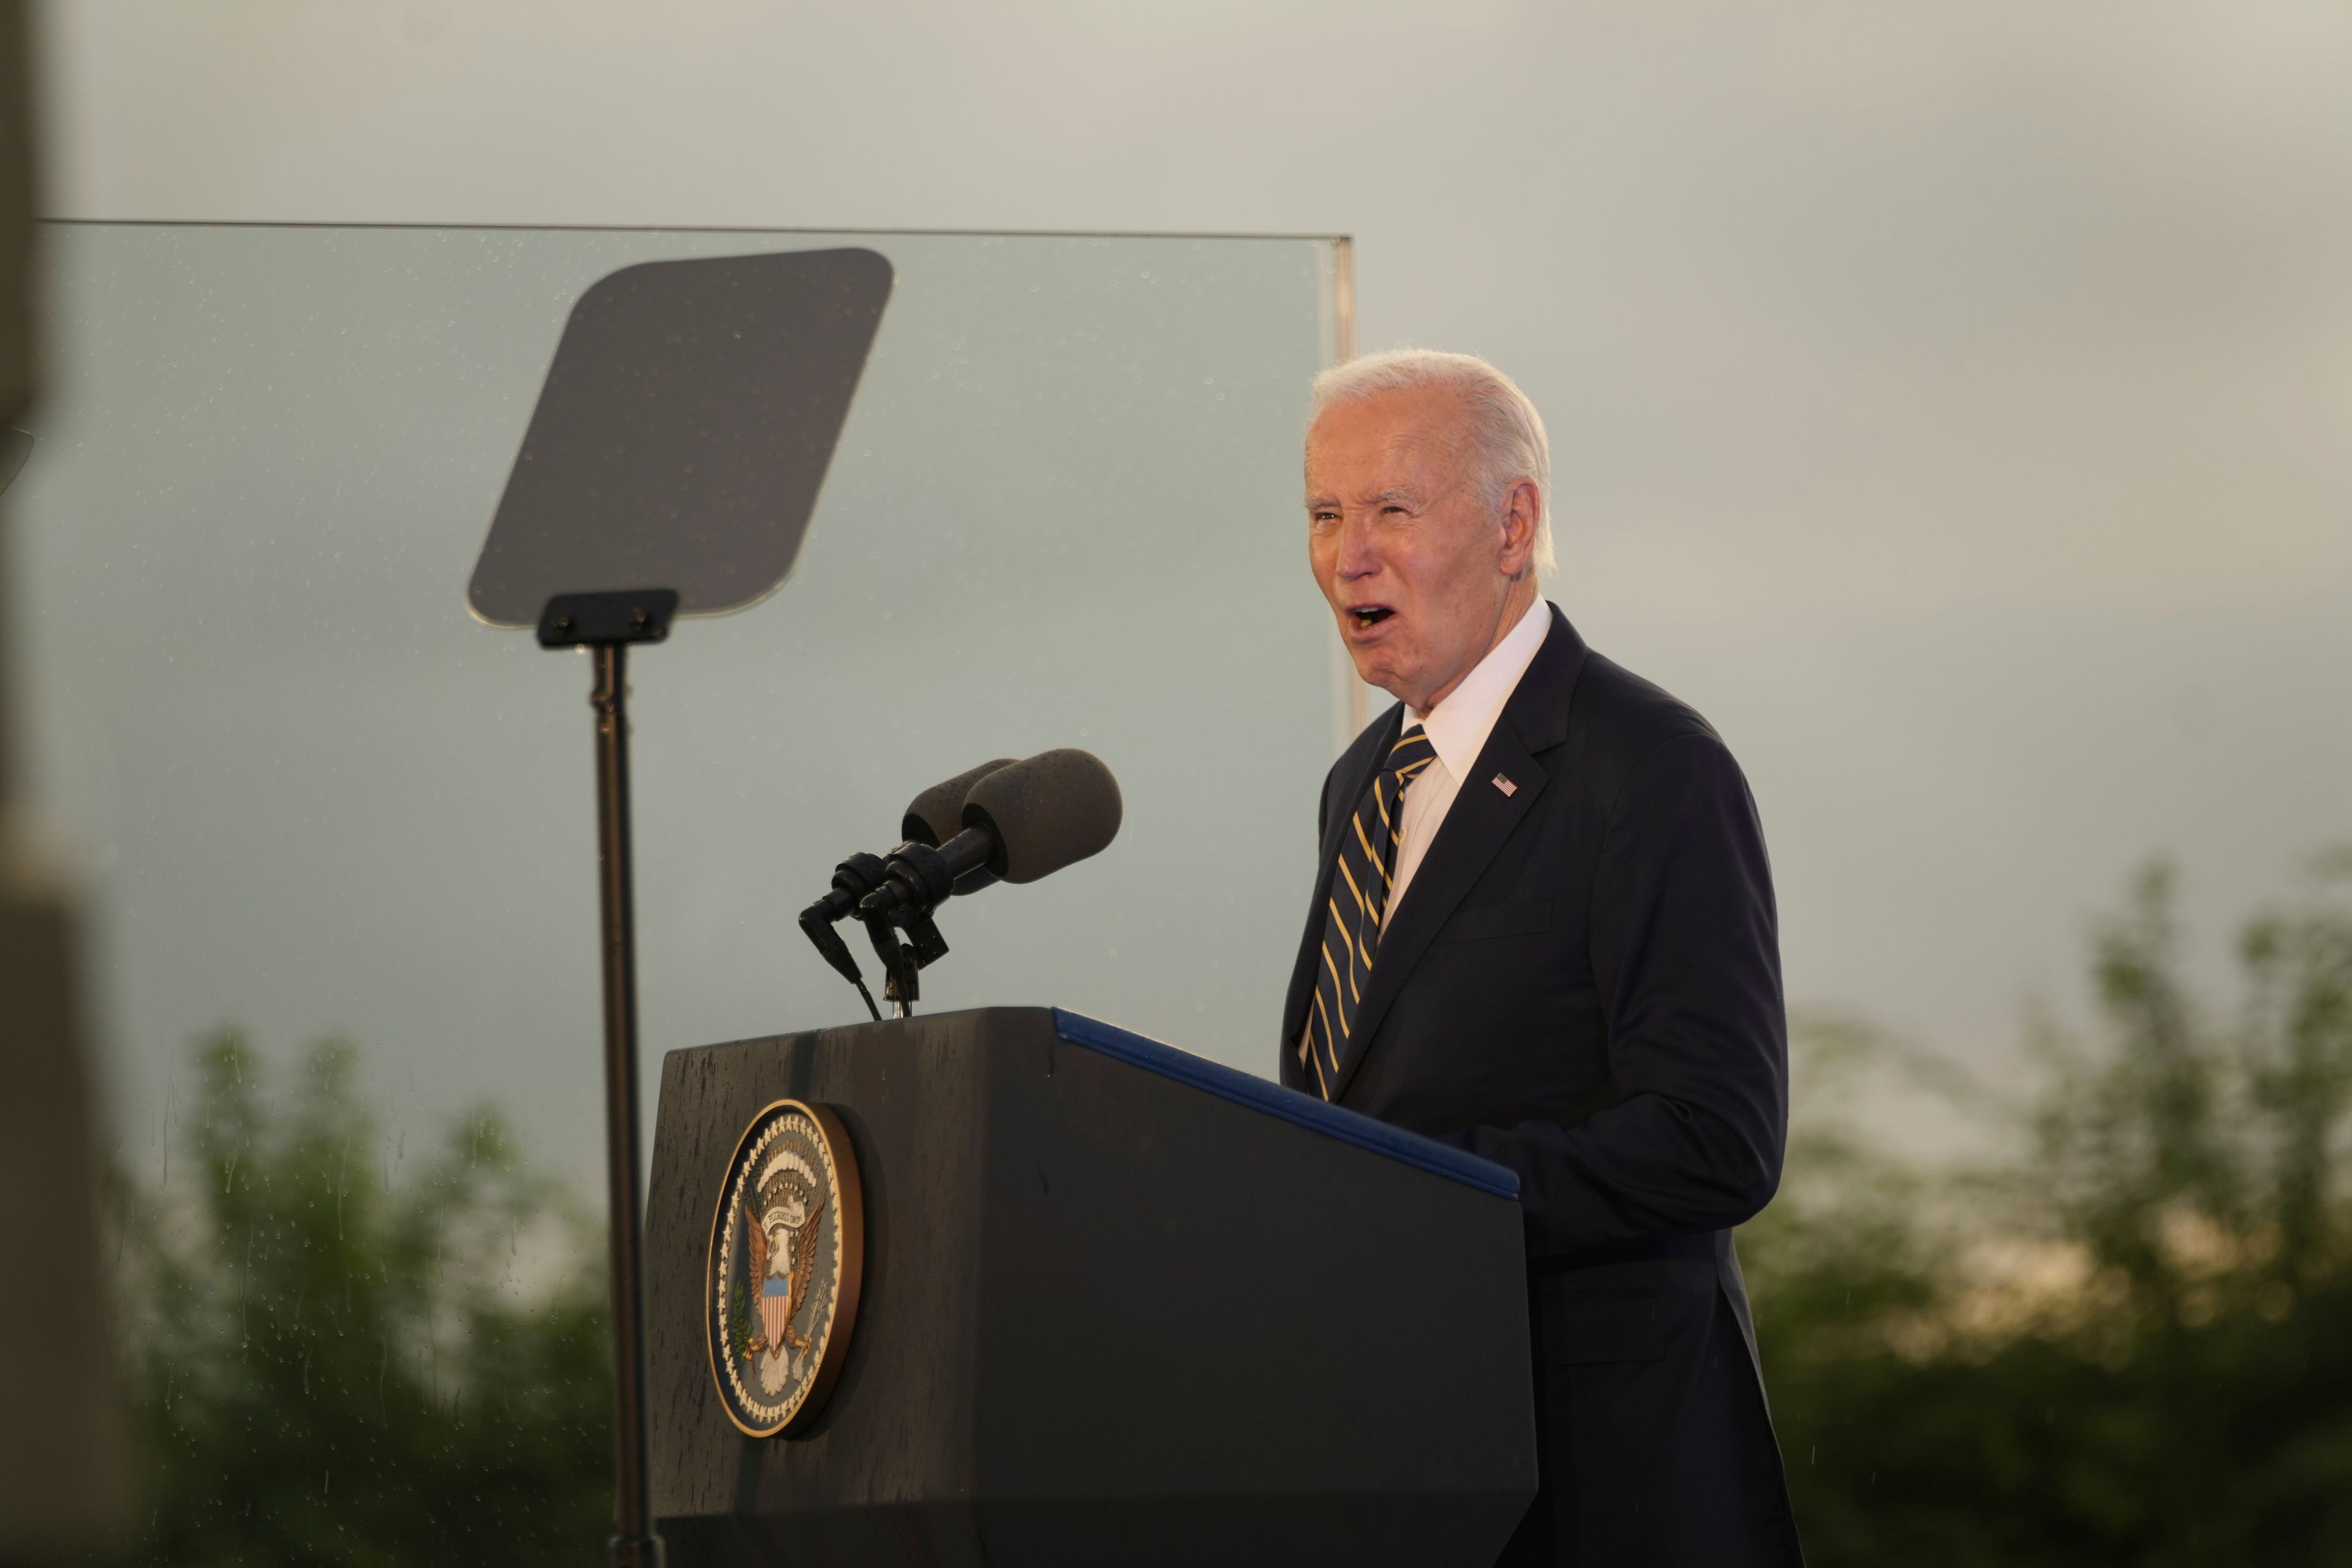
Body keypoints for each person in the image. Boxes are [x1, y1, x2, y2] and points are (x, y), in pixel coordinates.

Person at [1281, 349, 1803, 1565]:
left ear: (1513, 523)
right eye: (1323, 514)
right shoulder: (1362, 786)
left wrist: (1408, 1193)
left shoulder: (1649, 764)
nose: (1347, 555)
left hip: (1601, 1482)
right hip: (1409, 1463)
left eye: (1391, 510)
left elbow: (1716, 1135)